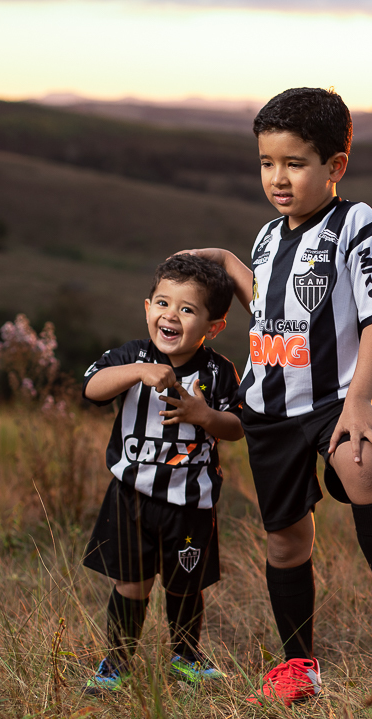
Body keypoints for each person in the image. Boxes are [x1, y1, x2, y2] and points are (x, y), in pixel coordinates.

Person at [184, 87, 372, 707]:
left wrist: (360, 401)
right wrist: (225, 261)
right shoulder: (268, 237)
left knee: (361, 461)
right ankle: (299, 666)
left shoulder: (357, 224)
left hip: (334, 399)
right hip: (269, 409)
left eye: (295, 163)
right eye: (267, 163)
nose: (278, 177)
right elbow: (271, 303)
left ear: (335, 167)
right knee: (285, 540)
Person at [80, 253, 243, 692]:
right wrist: (136, 371)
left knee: (184, 586)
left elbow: (237, 427)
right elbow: (91, 389)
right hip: (131, 497)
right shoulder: (130, 355)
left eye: (187, 309)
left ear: (213, 327)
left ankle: (185, 657)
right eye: (162, 303)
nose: (171, 315)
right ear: (147, 307)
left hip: (190, 502)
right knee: (130, 583)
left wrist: (202, 414)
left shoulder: (219, 371)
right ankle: (116, 663)